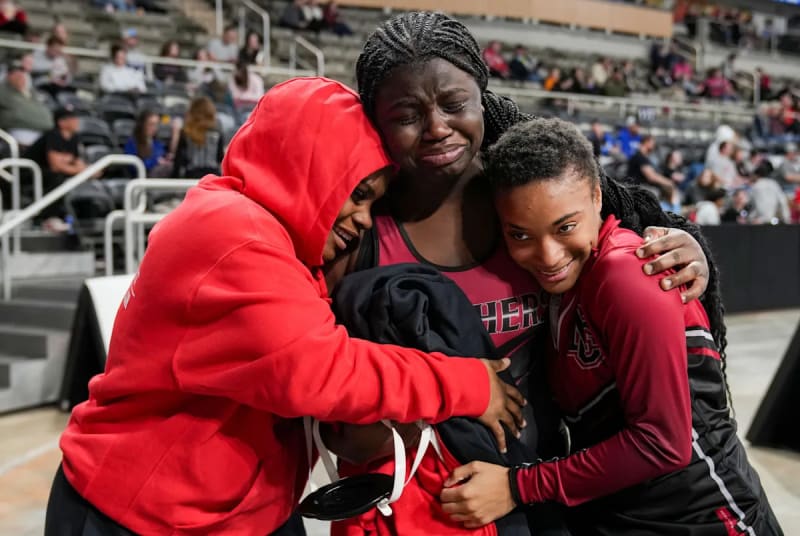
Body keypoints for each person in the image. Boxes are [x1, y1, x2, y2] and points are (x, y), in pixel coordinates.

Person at [45, 77, 521, 536]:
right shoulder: (230, 233)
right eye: (356, 195)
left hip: (240, 511)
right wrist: (467, 383)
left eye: (373, 205)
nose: (362, 221)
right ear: (308, 165)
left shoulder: (273, 235)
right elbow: (323, 373)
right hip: (139, 514)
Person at [323, 11, 714, 535]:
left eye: (455, 103)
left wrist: (692, 251)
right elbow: (340, 426)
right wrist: (443, 396)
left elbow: (620, 233)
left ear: (482, 98)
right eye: (406, 114)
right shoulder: (360, 234)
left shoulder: (531, 197)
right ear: (376, 120)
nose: (438, 126)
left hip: (554, 493)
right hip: (436, 508)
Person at [439, 117, 782, 536]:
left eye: (565, 226)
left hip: (705, 518)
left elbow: (662, 442)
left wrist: (518, 486)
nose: (547, 255)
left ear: (598, 197)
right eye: (521, 235)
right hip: (626, 515)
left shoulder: (627, 273)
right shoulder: (560, 285)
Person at [23, 107, 86, 232]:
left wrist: (87, 170)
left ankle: (79, 219)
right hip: (27, 172)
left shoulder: (74, 137)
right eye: (72, 118)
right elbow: (55, 165)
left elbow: (78, 163)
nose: (76, 121)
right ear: (61, 122)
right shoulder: (53, 135)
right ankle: (46, 218)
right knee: (57, 178)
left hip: (46, 173)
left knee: (70, 179)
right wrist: (80, 171)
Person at [0, 57, 53, 148]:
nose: (21, 77)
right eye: (16, 74)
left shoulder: (30, 92)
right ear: (9, 75)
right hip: (17, 133)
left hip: (42, 132)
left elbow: (45, 113)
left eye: (22, 74)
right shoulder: (3, 90)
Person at [170, 96, 224, 178]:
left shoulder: (186, 132)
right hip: (212, 176)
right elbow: (220, 157)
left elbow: (178, 160)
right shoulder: (217, 131)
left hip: (191, 176)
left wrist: (174, 179)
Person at [626, 135, 675, 202]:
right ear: (646, 142)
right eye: (652, 143)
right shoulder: (639, 156)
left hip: (642, 186)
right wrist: (668, 182)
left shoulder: (644, 157)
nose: (654, 145)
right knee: (656, 192)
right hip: (637, 187)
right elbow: (651, 177)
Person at [124, 110, 171, 177]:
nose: (154, 128)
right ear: (143, 124)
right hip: (140, 178)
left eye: (156, 125)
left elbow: (161, 156)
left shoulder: (158, 144)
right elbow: (132, 165)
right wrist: (155, 161)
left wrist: (166, 159)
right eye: (151, 124)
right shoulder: (132, 142)